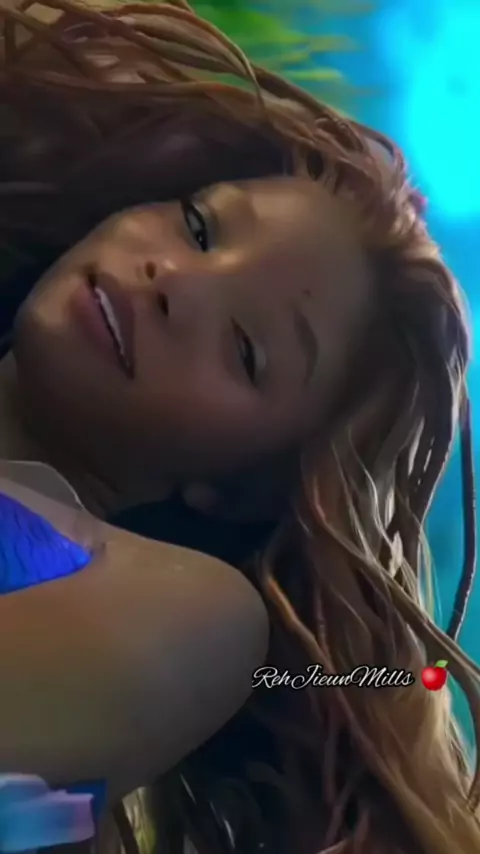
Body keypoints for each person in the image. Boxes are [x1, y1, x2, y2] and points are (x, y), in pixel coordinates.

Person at [0, 1, 478, 853]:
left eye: (247, 350)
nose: (172, 280)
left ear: (231, 488)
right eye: (198, 225)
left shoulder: (198, 617)